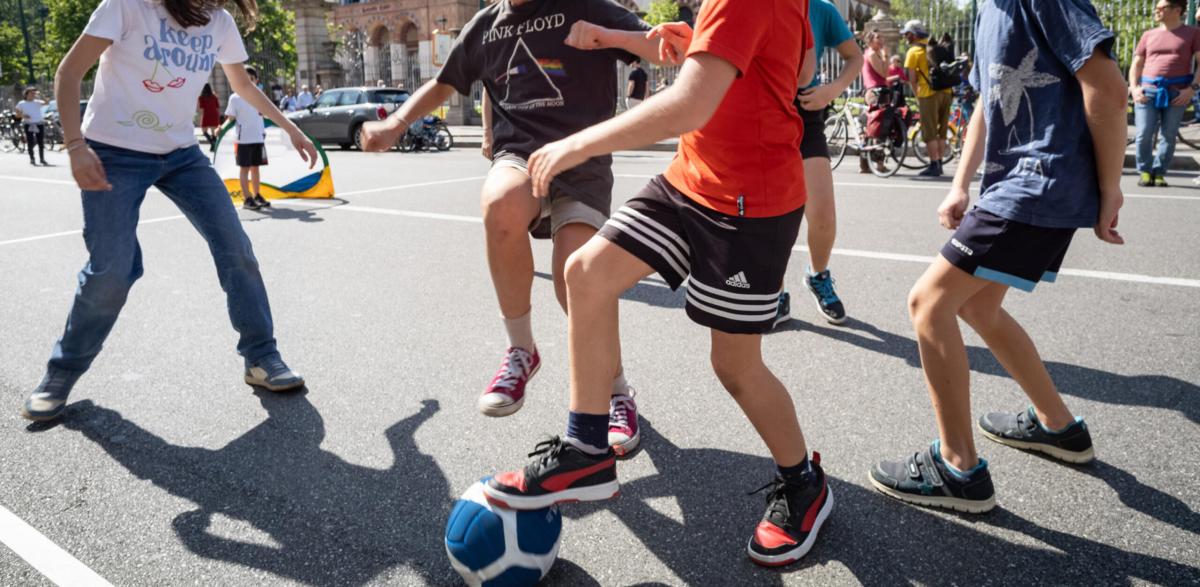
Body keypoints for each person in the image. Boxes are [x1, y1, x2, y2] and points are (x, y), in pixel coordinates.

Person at [482, 0, 833, 568]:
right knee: (585, 273)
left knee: (735, 367)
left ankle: (804, 482)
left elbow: (690, 104)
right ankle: (587, 448)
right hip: (690, 180)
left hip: (750, 203)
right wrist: (695, 43)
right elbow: (789, 69)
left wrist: (578, 142)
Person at [361, 0, 675, 455]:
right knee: (500, 201)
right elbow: (444, 82)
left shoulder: (583, 6)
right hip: (521, 155)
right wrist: (395, 123)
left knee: (577, 278)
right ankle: (521, 351)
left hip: (580, 158)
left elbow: (656, 46)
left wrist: (611, 37)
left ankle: (617, 390)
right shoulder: (485, 25)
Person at [869, 0, 1127, 513]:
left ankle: (957, 467)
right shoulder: (989, 10)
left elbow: (1108, 87)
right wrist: (961, 185)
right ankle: (1059, 428)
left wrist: (1110, 189)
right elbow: (990, 98)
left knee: (928, 305)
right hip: (1013, 186)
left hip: (1038, 183)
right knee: (977, 307)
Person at [22, 0, 319, 422]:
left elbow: (243, 87)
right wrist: (75, 146)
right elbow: (69, 72)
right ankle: (60, 373)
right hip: (113, 151)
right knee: (113, 269)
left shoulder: (219, 21)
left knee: (236, 249)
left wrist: (291, 128)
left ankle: (261, 357)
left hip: (182, 154)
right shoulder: (127, 7)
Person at [780, 0, 862, 327]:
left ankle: (818, 275)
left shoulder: (822, 9)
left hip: (805, 112)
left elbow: (854, 57)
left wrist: (831, 91)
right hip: (765, 111)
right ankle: (773, 291)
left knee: (823, 214)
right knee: (773, 217)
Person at [1130, 0, 1200, 187]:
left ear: (1177, 10)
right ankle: (1145, 171)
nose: (1157, 10)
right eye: (1157, 7)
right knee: (1144, 133)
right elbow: (1136, 65)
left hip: (1177, 92)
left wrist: (1191, 89)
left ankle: (1159, 172)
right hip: (1148, 91)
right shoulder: (1148, 35)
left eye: (1162, 8)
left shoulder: (1193, 33)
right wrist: (1135, 88)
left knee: (1168, 135)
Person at [903, 19, 952, 177]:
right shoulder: (935, 46)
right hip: (946, 92)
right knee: (942, 131)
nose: (905, 37)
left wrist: (918, 96)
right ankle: (940, 164)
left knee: (929, 131)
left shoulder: (913, 52)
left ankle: (934, 164)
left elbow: (911, 78)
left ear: (914, 35)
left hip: (928, 93)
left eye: (907, 34)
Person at [225, 67, 271, 211]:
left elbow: (264, 114)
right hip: (243, 139)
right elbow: (230, 118)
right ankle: (247, 198)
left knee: (256, 168)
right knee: (245, 169)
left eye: (252, 79)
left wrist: (264, 131)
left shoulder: (260, 95)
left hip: (258, 137)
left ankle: (257, 195)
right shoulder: (235, 98)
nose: (249, 82)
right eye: (246, 79)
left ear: (256, 80)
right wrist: (221, 127)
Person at [16, 87, 49, 166]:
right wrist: (23, 116)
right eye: (31, 93)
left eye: (34, 93)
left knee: (40, 142)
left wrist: (41, 95)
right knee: (30, 142)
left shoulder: (37, 102)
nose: (33, 95)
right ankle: (32, 159)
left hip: (39, 123)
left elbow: (47, 103)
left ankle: (42, 159)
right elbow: (17, 115)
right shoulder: (21, 103)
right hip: (28, 124)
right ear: (26, 94)